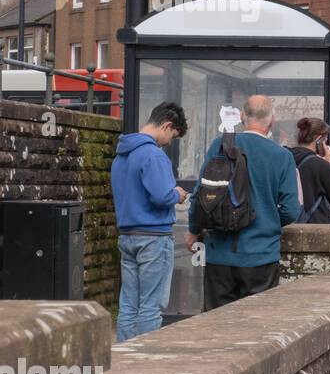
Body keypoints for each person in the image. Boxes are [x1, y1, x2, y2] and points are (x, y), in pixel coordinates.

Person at [187, 95, 301, 310]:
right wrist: (268, 220)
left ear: (241, 116)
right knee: (257, 324)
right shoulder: (281, 156)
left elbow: (200, 194)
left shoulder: (219, 146)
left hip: (219, 253)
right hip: (261, 254)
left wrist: (194, 230)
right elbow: (291, 210)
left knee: (216, 325)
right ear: (272, 120)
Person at [111, 101, 189, 342]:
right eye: (173, 136)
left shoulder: (121, 154)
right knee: (150, 306)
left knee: (128, 304)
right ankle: (145, 358)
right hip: (153, 238)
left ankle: (124, 354)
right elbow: (161, 195)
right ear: (167, 126)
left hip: (127, 235)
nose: (169, 142)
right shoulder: (153, 155)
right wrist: (178, 193)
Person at [289, 117, 330, 223]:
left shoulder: (287, 157)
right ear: (319, 139)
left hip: (290, 223)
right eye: (325, 140)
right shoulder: (320, 165)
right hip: (315, 224)